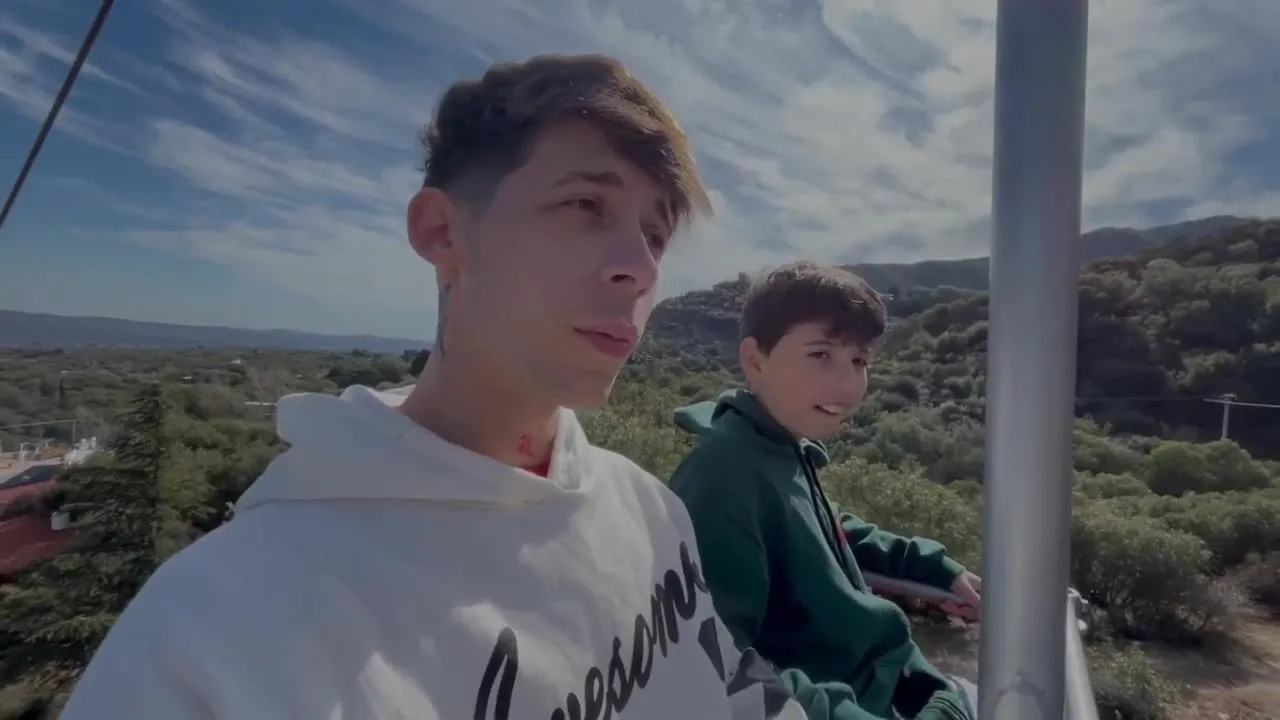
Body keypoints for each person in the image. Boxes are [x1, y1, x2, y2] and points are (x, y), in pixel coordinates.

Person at [60, 54, 813, 720]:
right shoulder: (214, 637)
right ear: (442, 232)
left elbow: (732, 693)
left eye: (655, 235)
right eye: (586, 205)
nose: (641, 269)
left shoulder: (650, 510)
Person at [667, 262, 984, 720]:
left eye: (859, 361)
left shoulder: (782, 447)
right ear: (755, 361)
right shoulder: (724, 475)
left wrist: (932, 568)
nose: (848, 383)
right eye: (820, 354)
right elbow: (721, 660)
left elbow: (830, 533)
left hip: (895, 683)